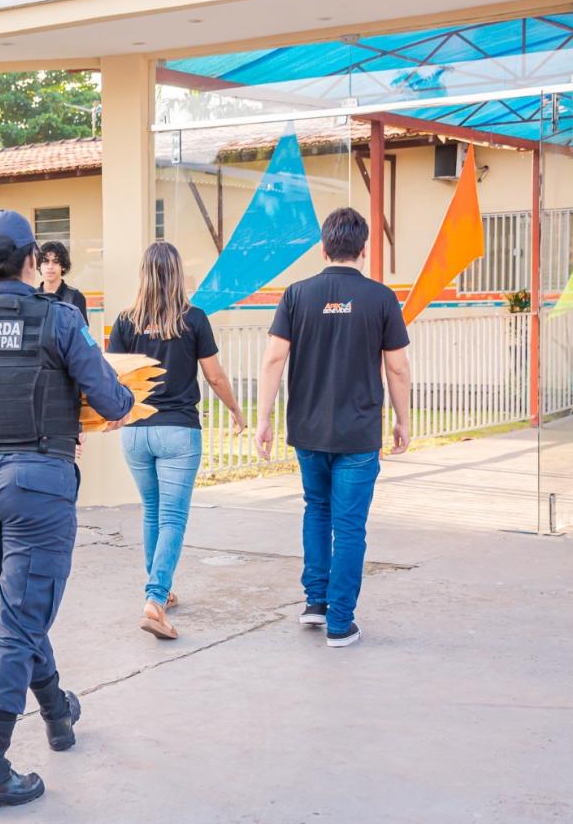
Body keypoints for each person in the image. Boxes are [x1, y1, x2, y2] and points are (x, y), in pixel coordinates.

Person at [0, 210, 134, 811]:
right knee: (20, 623)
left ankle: (57, 711)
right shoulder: (59, 318)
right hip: (38, 484)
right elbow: (113, 399)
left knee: (19, 610)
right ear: (31, 259)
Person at [255, 207, 412, 648]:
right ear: (364, 250)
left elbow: (273, 359)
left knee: (317, 511)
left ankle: (316, 603)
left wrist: (264, 418)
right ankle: (341, 623)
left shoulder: (296, 295)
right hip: (359, 435)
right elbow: (398, 368)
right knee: (349, 526)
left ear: (324, 249)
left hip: (307, 430)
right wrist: (402, 419)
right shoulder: (382, 298)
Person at [109, 240, 246, 640]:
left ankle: (161, 591)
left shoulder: (125, 321)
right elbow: (214, 376)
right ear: (177, 275)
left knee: (152, 513)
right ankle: (154, 599)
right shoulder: (194, 320)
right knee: (171, 517)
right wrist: (236, 411)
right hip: (179, 432)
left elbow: (111, 375)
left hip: (136, 433)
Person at [37, 240, 88, 322]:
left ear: (63, 266)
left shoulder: (75, 297)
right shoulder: (31, 296)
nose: (50, 266)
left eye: (55, 262)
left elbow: (82, 329)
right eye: (45, 262)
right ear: (39, 266)